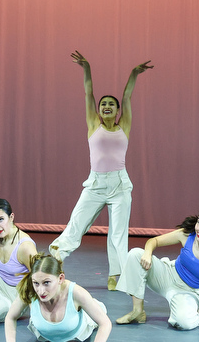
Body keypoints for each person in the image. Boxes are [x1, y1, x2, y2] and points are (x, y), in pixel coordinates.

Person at [49, 50, 153, 291]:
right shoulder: (93, 124)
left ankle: (115, 275)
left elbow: (127, 96)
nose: (107, 106)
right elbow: (88, 92)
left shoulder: (123, 126)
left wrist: (134, 74)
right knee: (76, 225)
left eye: (111, 104)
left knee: (118, 233)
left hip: (119, 185)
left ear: (117, 111)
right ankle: (54, 259)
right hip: (95, 184)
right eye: (103, 104)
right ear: (98, 110)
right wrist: (86, 68)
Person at [0, 254, 112, 342]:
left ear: (60, 279)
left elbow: (105, 323)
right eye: (36, 283)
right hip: (46, 335)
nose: (41, 291)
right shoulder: (30, 292)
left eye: (46, 283)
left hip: (81, 327)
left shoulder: (77, 293)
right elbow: (10, 317)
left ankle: (96, 304)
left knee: (98, 309)